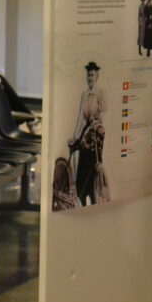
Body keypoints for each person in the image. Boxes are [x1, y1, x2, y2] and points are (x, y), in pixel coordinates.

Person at [68, 61, 108, 206]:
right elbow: (81, 117)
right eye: (88, 75)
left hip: (97, 131)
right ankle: (81, 197)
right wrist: (75, 135)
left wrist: (98, 122)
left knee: (94, 164)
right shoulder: (84, 95)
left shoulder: (100, 93)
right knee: (81, 161)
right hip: (87, 131)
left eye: (92, 75)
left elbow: (105, 113)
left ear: (97, 76)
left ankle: (95, 197)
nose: (90, 78)